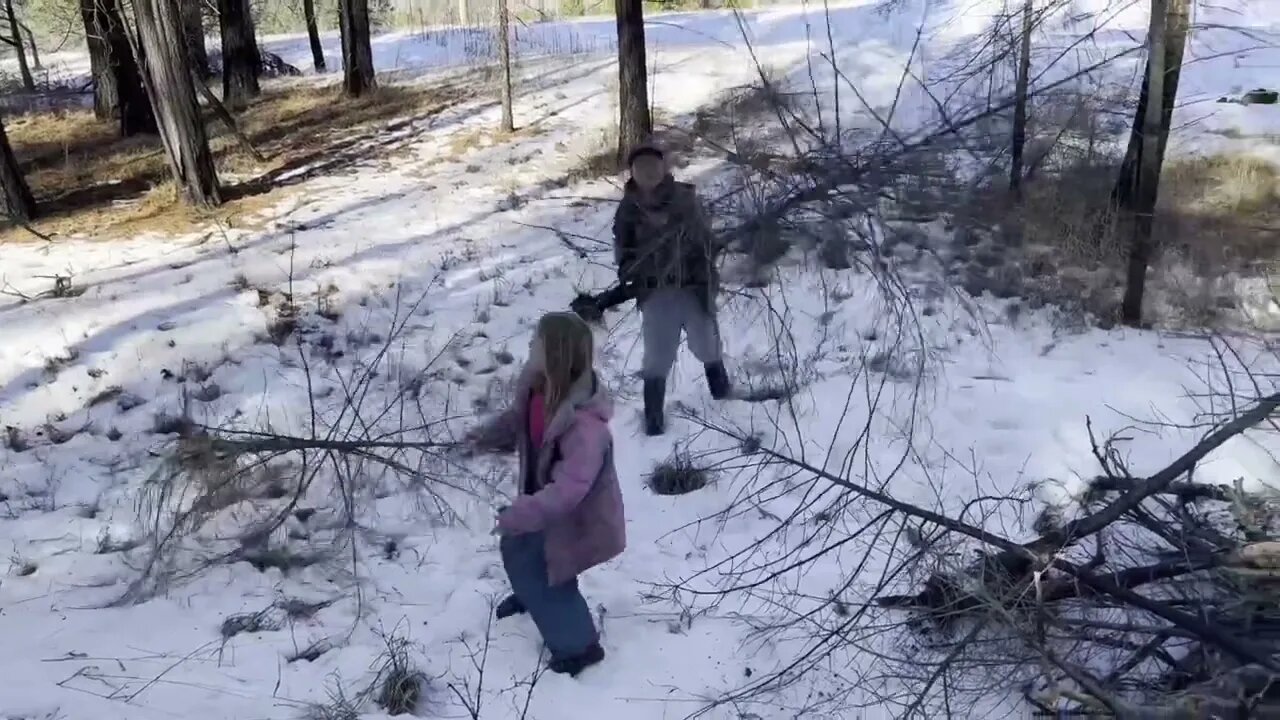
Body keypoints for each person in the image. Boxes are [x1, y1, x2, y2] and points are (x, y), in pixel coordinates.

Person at [468, 312, 626, 677]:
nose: (528, 346)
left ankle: (579, 647)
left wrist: (521, 513)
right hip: (541, 500)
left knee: (550, 574)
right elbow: (519, 421)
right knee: (519, 550)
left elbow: (569, 491)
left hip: (571, 517)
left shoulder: (586, 430)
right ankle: (530, 594)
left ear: (554, 353)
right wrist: (483, 438)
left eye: (535, 342)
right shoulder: (540, 390)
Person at [613, 142, 731, 437]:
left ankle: (725, 398)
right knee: (657, 356)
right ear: (632, 173)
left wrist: (694, 254)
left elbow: (708, 240)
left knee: (706, 343)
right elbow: (622, 251)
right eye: (641, 168)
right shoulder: (628, 209)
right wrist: (633, 271)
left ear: (664, 168)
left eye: (654, 165)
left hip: (693, 287)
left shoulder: (685, 199)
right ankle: (653, 420)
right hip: (656, 292)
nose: (649, 172)